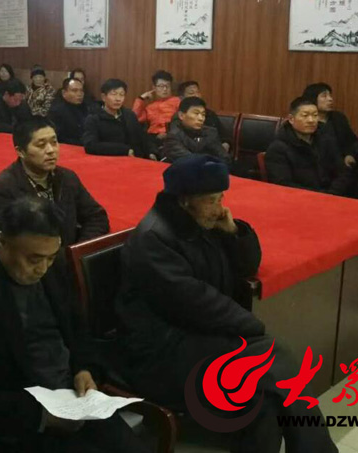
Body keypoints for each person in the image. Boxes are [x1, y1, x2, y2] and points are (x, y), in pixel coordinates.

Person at [116, 154, 338, 453]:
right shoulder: (155, 239)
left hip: (198, 335)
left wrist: (233, 232)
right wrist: (252, 327)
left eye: (221, 197)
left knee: (266, 398)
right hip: (161, 350)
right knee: (274, 358)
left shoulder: (201, 223)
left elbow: (248, 266)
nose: (219, 207)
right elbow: (193, 302)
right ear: (184, 200)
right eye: (211, 200)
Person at [0, 197, 149, 453]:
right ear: (2, 242)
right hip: (15, 420)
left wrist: (84, 368)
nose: (42, 268)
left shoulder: (49, 262)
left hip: (73, 399)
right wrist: (42, 417)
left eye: (50, 258)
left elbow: (77, 328)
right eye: (34, 259)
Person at [0, 117, 109, 243]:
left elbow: (97, 218)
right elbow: (2, 241)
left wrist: (76, 251)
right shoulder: (3, 188)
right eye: (41, 145)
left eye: (54, 142)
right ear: (21, 151)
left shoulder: (67, 177)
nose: (51, 150)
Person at [265, 97, 356, 196]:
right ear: (291, 119)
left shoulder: (326, 139)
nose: (311, 120)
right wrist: (319, 196)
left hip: (333, 196)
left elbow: (343, 171)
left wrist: (333, 193)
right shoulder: (278, 148)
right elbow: (283, 184)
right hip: (300, 199)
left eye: (315, 115)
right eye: (305, 115)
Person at [83, 78, 153, 158]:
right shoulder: (94, 118)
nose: (118, 99)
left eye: (121, 95)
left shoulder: (129, 115)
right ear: (103, 97)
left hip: (134, 159)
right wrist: (124, 150)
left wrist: (151, 152)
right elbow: (90, 145)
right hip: (109, 160)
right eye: (114, 94)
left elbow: (141, 137)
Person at [162, 97, 230, 164]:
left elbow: (225, 158)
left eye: (203, 114)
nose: (201, 118)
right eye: (196, 113)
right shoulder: (173, 136)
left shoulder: (211, 132)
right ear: (181, 115)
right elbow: (190, 161)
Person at [132, 70, 181, 154]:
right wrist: (140, 99)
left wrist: (167, 133)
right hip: (152, 137)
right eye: (161, 86)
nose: (165, 89)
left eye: (167, 86)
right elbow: (135, 118)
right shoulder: (150, 107)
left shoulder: (177, 101)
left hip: (171, 135)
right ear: (154, 88)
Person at [302, 82, 357, 156]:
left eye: (330, 95)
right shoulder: (306, 121)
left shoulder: (338, 118)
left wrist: (349, 155)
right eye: (324, 96)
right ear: (313, 99)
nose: (330, 99)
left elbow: (351, 141)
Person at [176, 80, 229, 151]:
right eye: (191, 93)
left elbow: (225, 137)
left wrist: (225, 145)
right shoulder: (178, 117)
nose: (196, 95)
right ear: (181, 98)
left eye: (198, 92)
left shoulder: (210, 114)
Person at [47, 78, 90, 145]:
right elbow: (57, 138)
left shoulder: (87, 108)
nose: (79, 94)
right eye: (74, 91)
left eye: (81, 91)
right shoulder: (56, 111)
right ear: (64, 93)